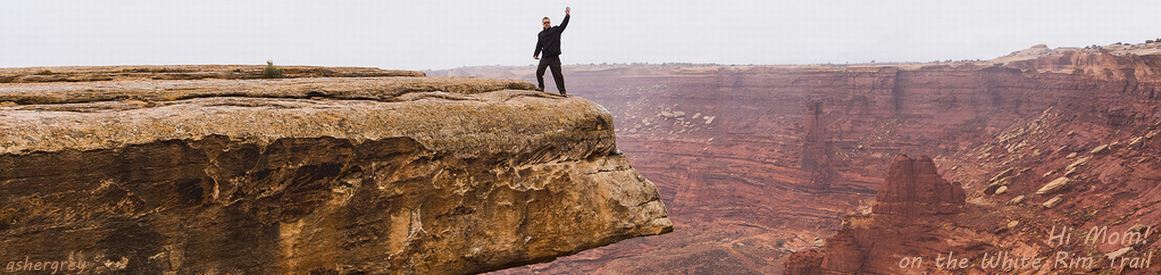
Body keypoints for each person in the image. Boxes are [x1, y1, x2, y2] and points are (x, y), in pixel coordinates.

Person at [534, 6, 570, 96]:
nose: (546, 23)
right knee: (539, 72)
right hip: (545, 57)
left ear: (550, 23)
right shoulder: (540, 34)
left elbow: (563, 25)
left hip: (554, 57)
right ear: (542, 24)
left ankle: (562, 92)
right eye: (545, 22)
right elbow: (539, 45)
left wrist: (567, 16)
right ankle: (541, 87)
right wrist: (536, 54)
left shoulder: (556, 30)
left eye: (548, 22)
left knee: (557, 75)